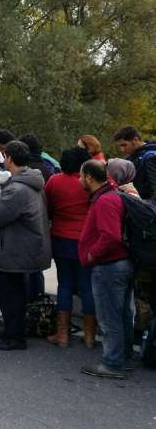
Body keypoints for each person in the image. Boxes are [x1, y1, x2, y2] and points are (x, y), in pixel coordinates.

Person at [0, 140, 51, 351]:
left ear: (9, 158)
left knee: (10, 294)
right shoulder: (31, 182)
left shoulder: (18, 189)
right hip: (22, 246)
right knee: (15, 292)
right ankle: (13, 330)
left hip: (14, 249)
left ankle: (14, 336)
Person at [78, 160, 134, 379]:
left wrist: (92, 254)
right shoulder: (114, 195)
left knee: (110, 316)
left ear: (90, 177)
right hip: (122, 263)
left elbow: (110, 236)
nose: (80, 180)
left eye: (82, 176)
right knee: (121, 314)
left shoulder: (106, 200)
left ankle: (112, 363)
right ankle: (123, 356)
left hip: (110, 266)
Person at [44, 147, 94, 348]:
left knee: (64, 284)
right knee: (87, 286)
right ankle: (90, 336)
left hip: (61, 237)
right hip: (86, 238)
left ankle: (62, 334)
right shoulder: (90, 183)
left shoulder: (55, 181)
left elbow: (48, 209)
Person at [114, 126, 156, 200]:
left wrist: (147, 207)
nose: (122, 150)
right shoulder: (132, 157)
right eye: (119, 146)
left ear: (135, 140)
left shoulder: (150, 157)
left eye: (124, 145)